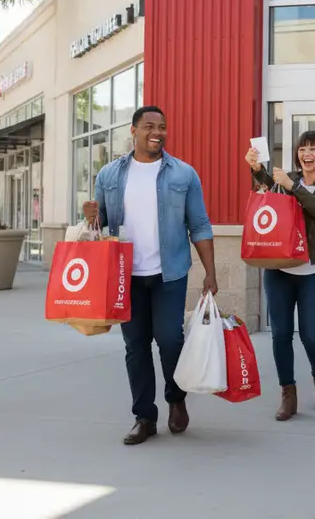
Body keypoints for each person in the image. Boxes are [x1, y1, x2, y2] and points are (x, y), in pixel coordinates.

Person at [83, 105, 217, 446]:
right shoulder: (109, 175)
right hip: (126, 276)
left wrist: (210, 273)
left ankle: (176, 398)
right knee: (135, 345)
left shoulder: (183, 174)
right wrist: (88, 218)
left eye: (162, 126)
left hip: (169, 272)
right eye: (149, 126)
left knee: (170, 339)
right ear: (133, 130)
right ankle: (144, 417)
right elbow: (97, 230)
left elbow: (199, 225)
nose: (157, 132)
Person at [246, 131, 315, 422]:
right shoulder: (286, 178)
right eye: (303, 148)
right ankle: (287, 393)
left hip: (313, 272)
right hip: (279, 269)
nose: (307, 153)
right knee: (280, 335)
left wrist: (293, 186)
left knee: (311, 335)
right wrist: (256, 169)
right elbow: (266, 186)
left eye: (313, 148)